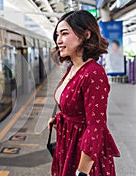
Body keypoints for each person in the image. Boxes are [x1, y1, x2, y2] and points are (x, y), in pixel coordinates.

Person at [48, 10, 120, 176]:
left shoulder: (94, 73)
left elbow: (96, 126)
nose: (58, 40)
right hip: (68, 144)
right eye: (57, 35)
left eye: (64, 34)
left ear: (86, 34)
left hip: (84, 154)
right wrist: (59, 120)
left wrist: (82, 172)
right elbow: (77, 109)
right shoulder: (72, 68)